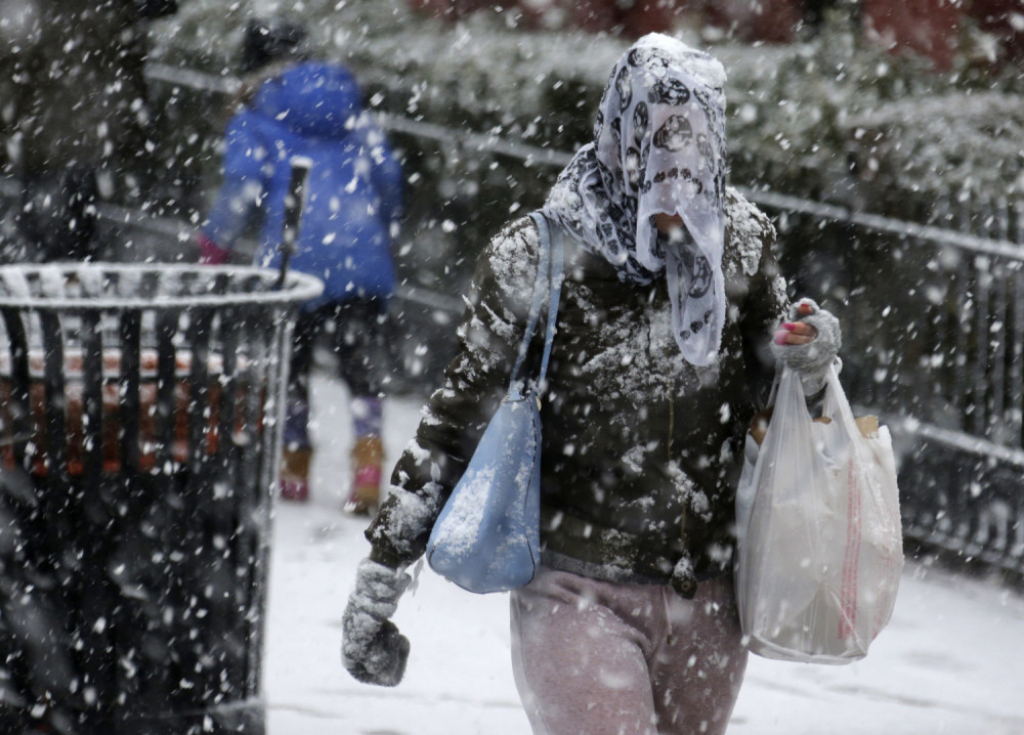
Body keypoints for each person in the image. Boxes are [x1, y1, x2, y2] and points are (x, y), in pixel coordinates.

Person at [341, 33, 841, 734]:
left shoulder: (742, 245)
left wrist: (810, 362)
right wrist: (383, 575)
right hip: (575, 587)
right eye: (660, 167)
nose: (678, 195)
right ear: (621, 143)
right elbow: (455, 422)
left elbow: (777, 401)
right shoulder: (539, 258)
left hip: (708, 590)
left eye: (695, 169)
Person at [198, 18, 404, 512]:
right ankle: (369, 470)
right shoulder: (348, 104)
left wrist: (214, 244)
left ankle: (293, 468)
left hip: (295, 253)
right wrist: (383, 223)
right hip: (359, 246)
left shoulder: (254, 112)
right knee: (359, 366)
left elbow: (242, 183)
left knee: (291, 365)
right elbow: (388, 173)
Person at [0, 0, 179, 264]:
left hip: (56, 134)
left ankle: (53, 287)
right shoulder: (107, 12)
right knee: (75, 235)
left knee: (53, 236)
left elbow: (12, 65)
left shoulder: (40, 16)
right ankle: (70, 285)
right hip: (86, 134)